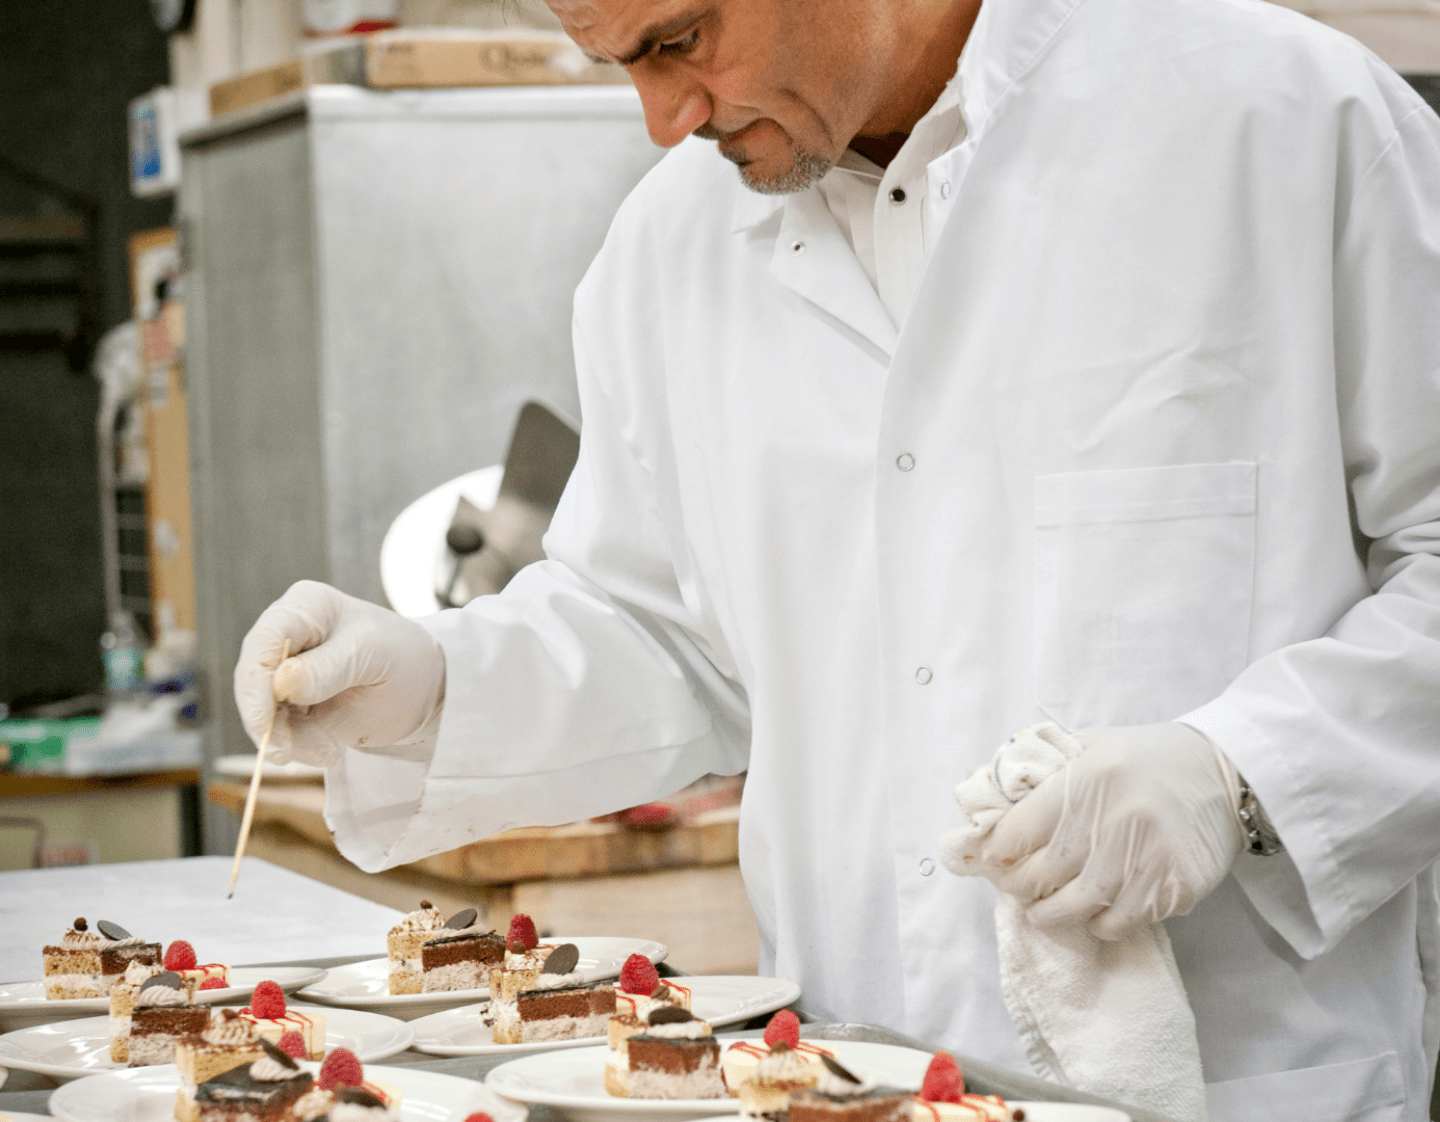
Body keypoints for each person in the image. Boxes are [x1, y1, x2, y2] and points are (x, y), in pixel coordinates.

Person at [234, 0, 1440, 1116]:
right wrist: (431, 687)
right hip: (839, 1075)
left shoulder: (1278, 120)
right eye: (619, 65)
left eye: (680, 40)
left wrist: (1241, 774)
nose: (665, 118)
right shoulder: (669, 250)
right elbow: (667, 635)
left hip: (1246, 1082)